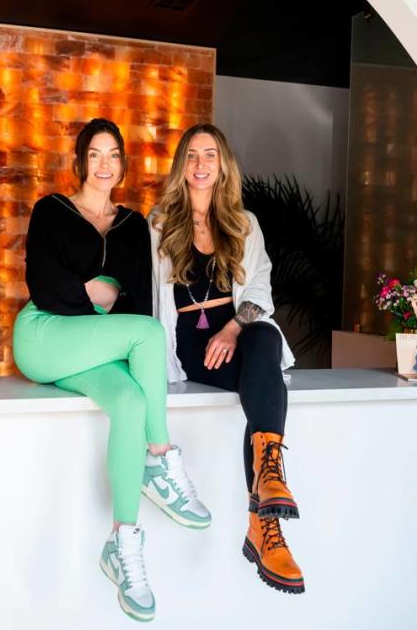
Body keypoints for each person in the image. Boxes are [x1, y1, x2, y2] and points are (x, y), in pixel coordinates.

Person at [13, 118, 210, 622]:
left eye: (113, 155)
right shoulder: (52, 211)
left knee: (130, 402)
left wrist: (106, 299)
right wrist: (93, 292)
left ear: (123, 164)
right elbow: (43, 283)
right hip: (43, 336)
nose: (104, 164)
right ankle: (161, 458)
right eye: (95, 155)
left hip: (92, 349)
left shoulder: (132, 226)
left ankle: (122, 543)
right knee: (147, 333)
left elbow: (138, 298)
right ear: (81, 162)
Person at [148, 123, 305, 594]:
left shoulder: (244, 222)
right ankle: (265, 522)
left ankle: (266, 494)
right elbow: (148, 296)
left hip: (234, 334)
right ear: (182, 166)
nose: (201, 164)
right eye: (192, 155)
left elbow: (259, 287)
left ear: (223, 165)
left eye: (210, 155)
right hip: (192, 345)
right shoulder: (159, 222)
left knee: (263, 339)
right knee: (265, 377)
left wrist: (234, 327)